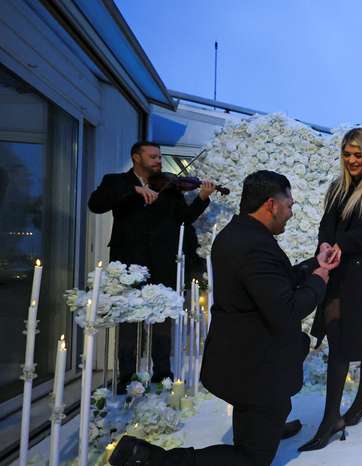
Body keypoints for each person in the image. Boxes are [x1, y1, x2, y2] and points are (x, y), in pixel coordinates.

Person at [110, 170, 341, 465]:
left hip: (239, 356)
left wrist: (313, 264)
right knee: (252, 458)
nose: (291, 213)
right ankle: (148, 458)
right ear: (271, 204)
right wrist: (321, 277)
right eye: (290, 205)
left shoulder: (239, 233)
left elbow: (272, 281)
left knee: (270, 411)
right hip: (254, 368)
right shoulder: (254, 246)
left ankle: (269, 427)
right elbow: (288, 308)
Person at [300, 128, 362, 452]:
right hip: (339, 275)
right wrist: (325, 246)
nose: (352, 160)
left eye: (358, 154)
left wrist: (345, 242)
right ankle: (332, 417)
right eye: (347, 154)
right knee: (337, 338)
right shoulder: (337, 189)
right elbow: (326, 226)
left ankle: (360, 403)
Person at [88, 141, 216, 389]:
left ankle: (162, 373)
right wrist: (133, 191)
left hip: (162, 263)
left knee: (161, 320)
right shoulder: (115, 181)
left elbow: (184, 219)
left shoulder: (169, 187)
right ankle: (127, 375)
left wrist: (202, 197)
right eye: (153, 156)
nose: (159, 160)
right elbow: (96, 205)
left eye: (159, 156)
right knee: (127, 322)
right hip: (127, 264)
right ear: (136, 157)